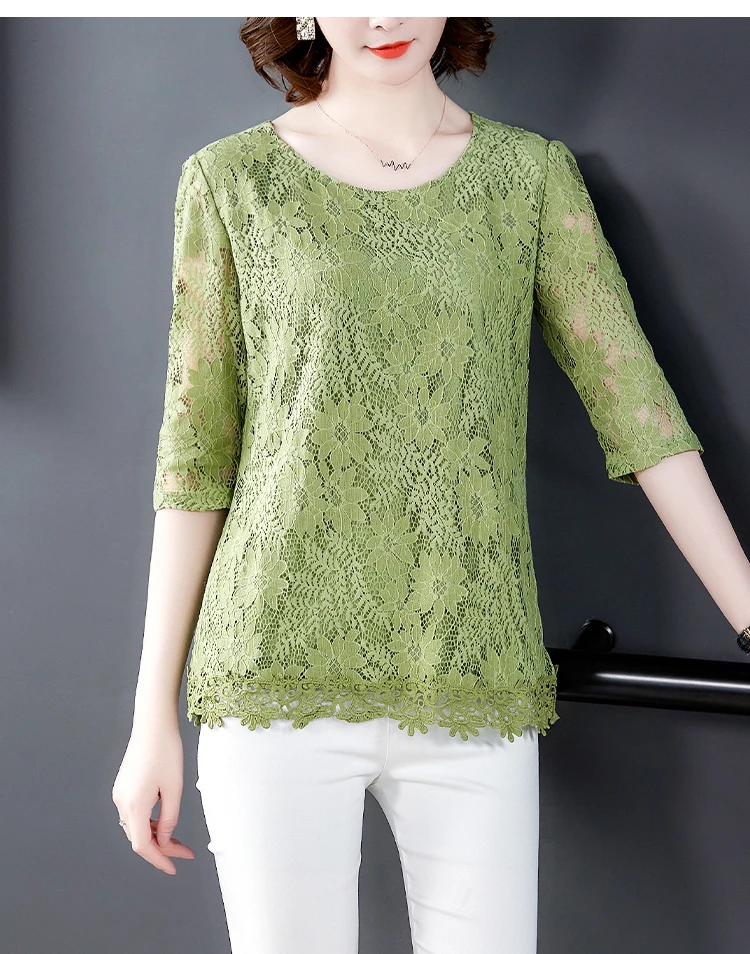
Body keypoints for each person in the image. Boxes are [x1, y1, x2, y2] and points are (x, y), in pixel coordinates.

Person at [112, 16, 750, 954]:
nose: (386, 16)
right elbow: (196, 458)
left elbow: (640, 413)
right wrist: (150, 719)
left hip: (474, 673)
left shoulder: (529, 178)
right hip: (271, 675)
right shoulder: (231, 180)